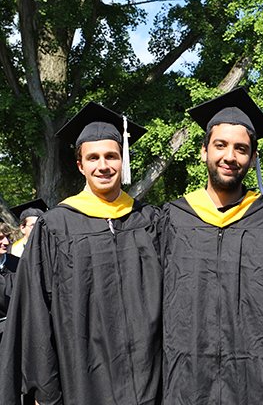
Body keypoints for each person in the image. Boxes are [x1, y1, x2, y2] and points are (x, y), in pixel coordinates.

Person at [0, 102, 163, 405]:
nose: (103, 165)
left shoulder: (150, 221)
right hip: (82, 381)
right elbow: (36, 312)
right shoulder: (56, 227)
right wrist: (45, 389)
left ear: (123, 159)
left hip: (149, 379)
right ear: (80, 165)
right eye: (93, 158)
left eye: (111, 156)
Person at [160, 87, 263, 404]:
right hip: (185, 381)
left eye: (241, 149)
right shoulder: (171, 219)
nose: (230, 156)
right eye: (220, 145)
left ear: (252, 157)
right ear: (204, 150)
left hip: (254, 382)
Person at [0, 223, 19, 339]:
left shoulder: (18, 264)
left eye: (7, 237)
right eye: (0, 238)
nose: (6, 242)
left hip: (15, 329)